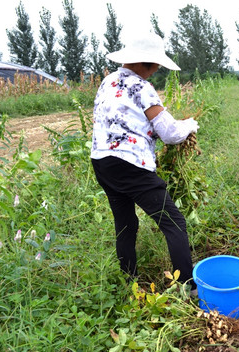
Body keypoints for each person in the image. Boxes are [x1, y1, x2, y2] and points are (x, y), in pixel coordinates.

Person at [90, 33, 198, 289]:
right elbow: (171, 134)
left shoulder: (108, 81)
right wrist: (190, 125)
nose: (157, 69)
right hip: (130, 166)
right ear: (146, 63)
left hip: (103, 162)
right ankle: (188, 286)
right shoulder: (141, 87)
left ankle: (128, 282)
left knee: (125, 224)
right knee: (174, 223)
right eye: (155, 64)